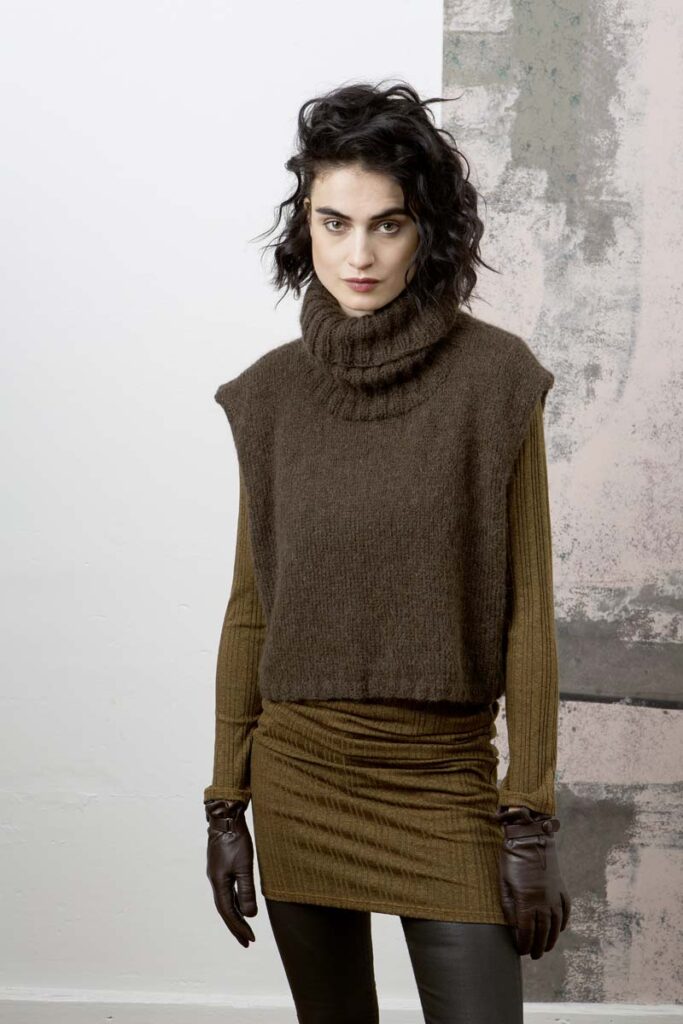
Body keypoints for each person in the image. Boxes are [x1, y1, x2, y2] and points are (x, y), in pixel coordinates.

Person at [203, 80, 571, 1024]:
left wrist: (527, 819)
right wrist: (225, 801)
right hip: (300, 778)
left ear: (427, 233)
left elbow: (529, 611)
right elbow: (252, 608)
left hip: (442, 778)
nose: (358, 254)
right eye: (334, 223)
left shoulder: (495, 380)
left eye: (388, 225)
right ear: (305, 230)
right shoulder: (268, 396)